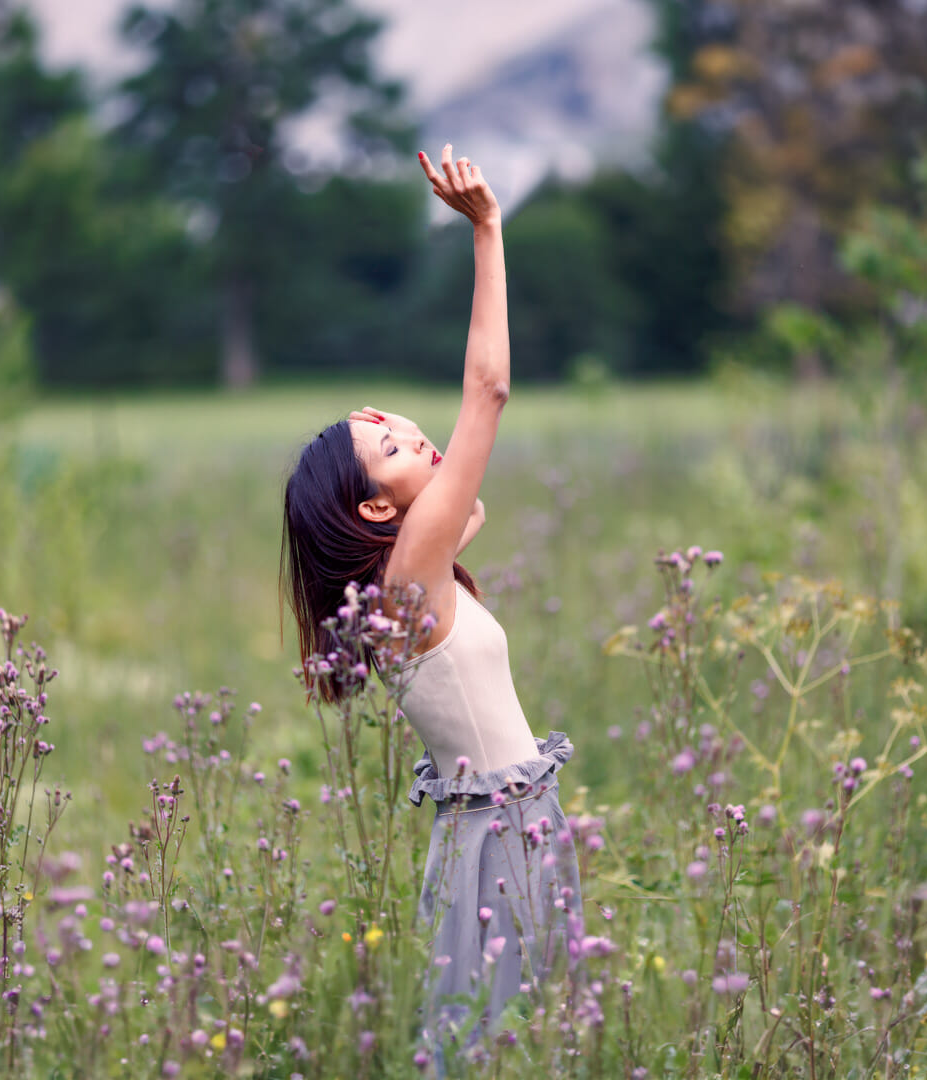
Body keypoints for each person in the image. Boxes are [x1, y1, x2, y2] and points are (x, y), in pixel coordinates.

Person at [279, 145, 582, 1071]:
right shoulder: (409, 576)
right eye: (403, 452)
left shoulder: (402, 585)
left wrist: (379, 447)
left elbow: (471, 503)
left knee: (518, 1045)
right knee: (496, 1049)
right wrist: (488, 230)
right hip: (499, 839)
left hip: (501, 825)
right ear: (377, 511)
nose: (423, 443)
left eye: (410, 433)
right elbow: (487, 391)